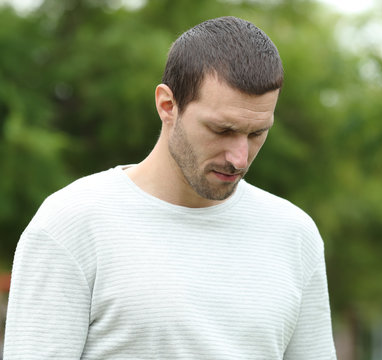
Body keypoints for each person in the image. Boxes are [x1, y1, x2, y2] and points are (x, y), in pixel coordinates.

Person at [4, 16, 336, 359]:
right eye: (222, 130)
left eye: (256, 133)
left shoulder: (294, 234)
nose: (239, 159)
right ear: (167, 105)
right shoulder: (72, 224)